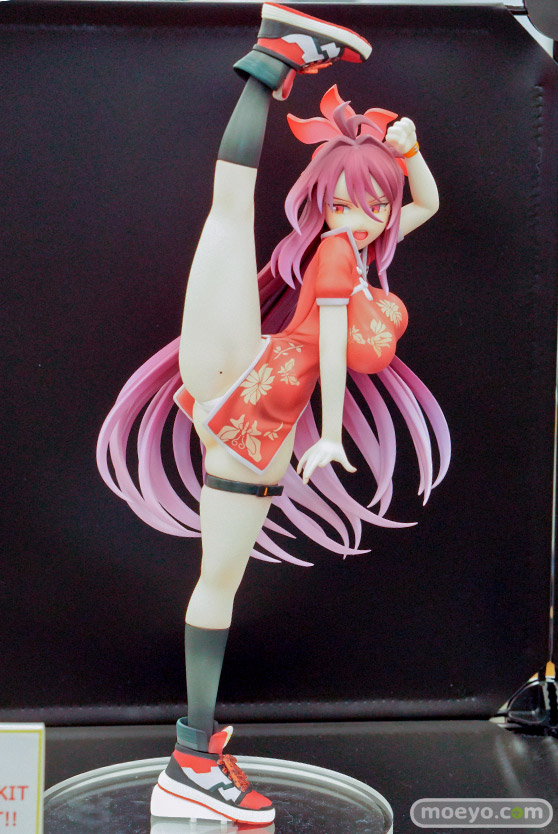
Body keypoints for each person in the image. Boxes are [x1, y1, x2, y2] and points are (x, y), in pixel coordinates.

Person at [97, 3, 450, 825]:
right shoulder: (335, 258)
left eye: (374, 204)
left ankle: (195, 750)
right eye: (350, 203)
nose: (365, 215)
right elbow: (325, 350)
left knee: (219, 577)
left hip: (256, 395)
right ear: (328, 203)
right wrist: (327, 435)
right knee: (218, 579)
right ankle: (191, 758)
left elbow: (425, 205)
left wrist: (408, 152)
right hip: (255, 397)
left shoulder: (362, 252)